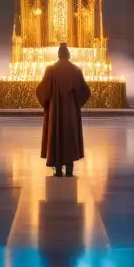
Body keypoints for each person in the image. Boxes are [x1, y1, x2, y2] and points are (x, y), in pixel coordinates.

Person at [35, 43, 91, 178]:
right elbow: (85, 92)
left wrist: (47, 104)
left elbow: (41, 91)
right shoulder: (75, 70)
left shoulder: (51, 70)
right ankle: (70, 167)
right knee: (69, 136)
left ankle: (58, 167)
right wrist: (76, 103)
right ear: (68, 54)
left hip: (55, 111)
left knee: (56, 135)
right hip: (70, 111)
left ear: (59, 54)